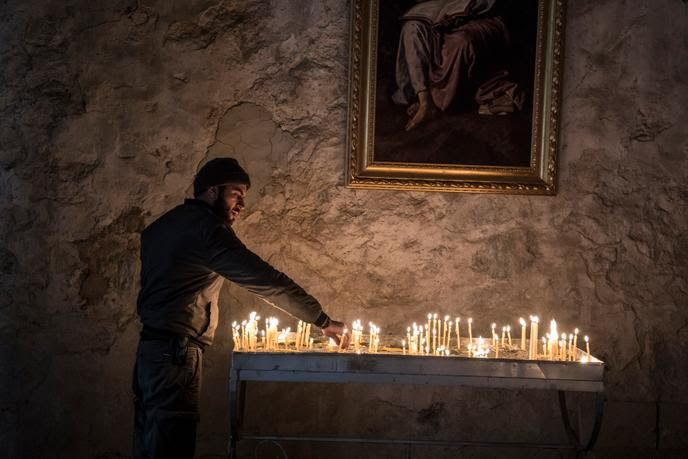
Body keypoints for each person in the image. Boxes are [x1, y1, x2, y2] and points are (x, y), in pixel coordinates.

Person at [132, 157, 349, 458]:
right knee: (171, 446)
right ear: (211, 191)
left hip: (150, 354)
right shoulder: (208, 232)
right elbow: (266, 281)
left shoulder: (164, 226)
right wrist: (321, 319)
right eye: (235, 193)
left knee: (150, 445)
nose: (241, 204)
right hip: (175, 358)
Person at [392, 0, 511, 130]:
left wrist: (460, 14)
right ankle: (424, 101)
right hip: (440, 17)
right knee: (411, 28)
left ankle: (444, 100)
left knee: (461, 42)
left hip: (477, 17)